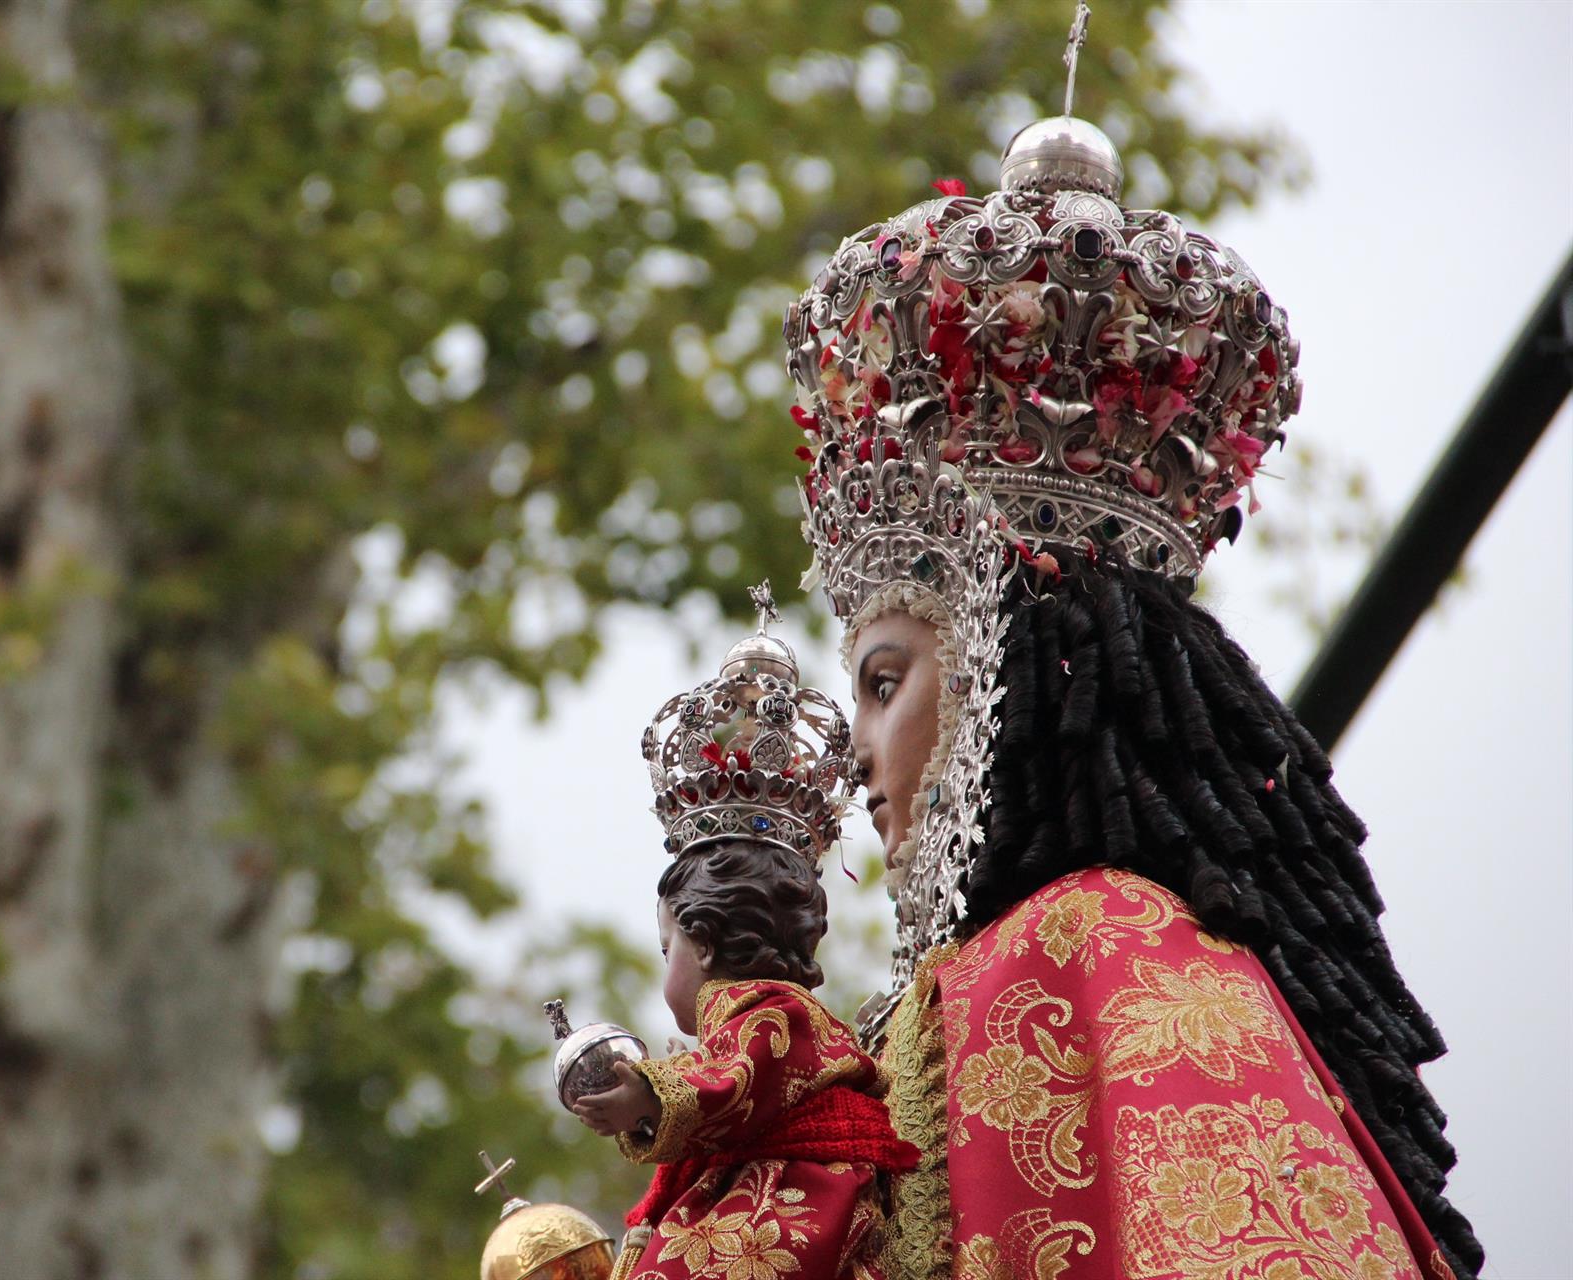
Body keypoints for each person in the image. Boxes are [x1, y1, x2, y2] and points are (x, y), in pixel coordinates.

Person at [779, 95, 1482, 1280]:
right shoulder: (923, 1011)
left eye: (885, 679)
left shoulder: (1104, 943)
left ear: (1009, 665)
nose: (853, 754)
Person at [570, 597, 918, 1280]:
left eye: (666, 950)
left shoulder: (775, 1016)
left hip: (797, 1205)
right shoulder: (752, 1021)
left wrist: (649, 1092)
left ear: (700, 942)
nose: (666, 969)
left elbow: (735, 1076)